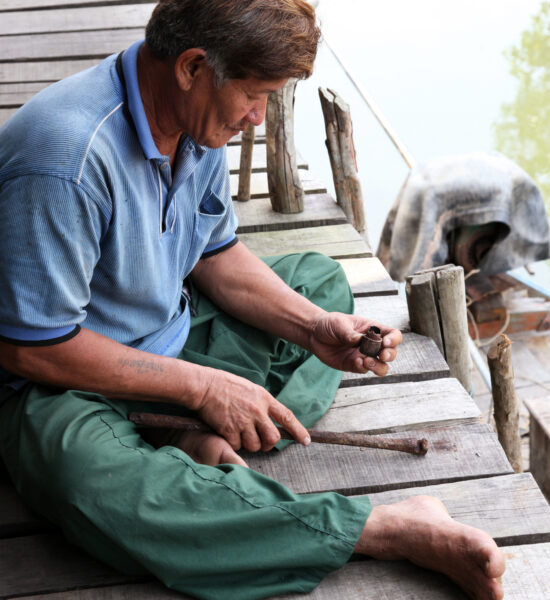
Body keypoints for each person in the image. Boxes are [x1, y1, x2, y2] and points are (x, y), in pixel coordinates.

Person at [0, 1, 505, 599]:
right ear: (192, 66)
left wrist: (315, 328)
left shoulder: (195, 120)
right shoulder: (65, 159)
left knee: (320, 282)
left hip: (166, 333)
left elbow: (214, 256)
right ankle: (383, 528)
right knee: (91, 484)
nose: (258, 120)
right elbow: (33, 348)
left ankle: (188, 437)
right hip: (60, 385)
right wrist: (204, 388)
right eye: (255, 95)